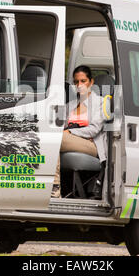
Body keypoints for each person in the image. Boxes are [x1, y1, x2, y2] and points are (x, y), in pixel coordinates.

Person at [52, 65, 107, 198]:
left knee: (56, 138)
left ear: (91, 82)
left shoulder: (100, 102)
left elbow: (94, 130)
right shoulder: (70, 105)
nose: (79, 85)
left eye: (83, 81)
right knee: (50, 137)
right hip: (70, 140)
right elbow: (59, 126)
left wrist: (70, 133)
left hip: (92, 145)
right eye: (76, 82)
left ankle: (54, 187)